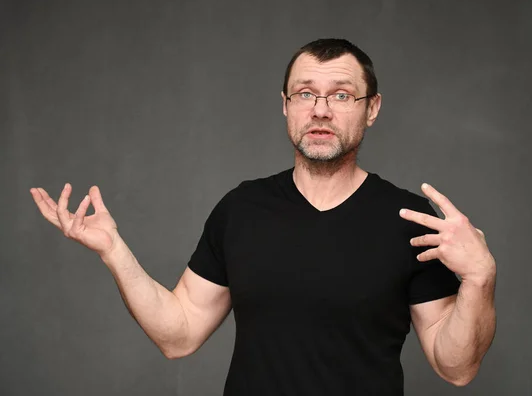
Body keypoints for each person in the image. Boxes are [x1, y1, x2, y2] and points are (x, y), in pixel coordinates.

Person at [30, 38, 496, 395]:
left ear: (371, 108)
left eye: (341, 96)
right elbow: (179, 334)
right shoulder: (242, 209)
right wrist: (114, 251)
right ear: (286, 105)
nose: (320, 109)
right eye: (305, 93)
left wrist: (479, 280)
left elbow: (455, 367)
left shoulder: (410, 219)